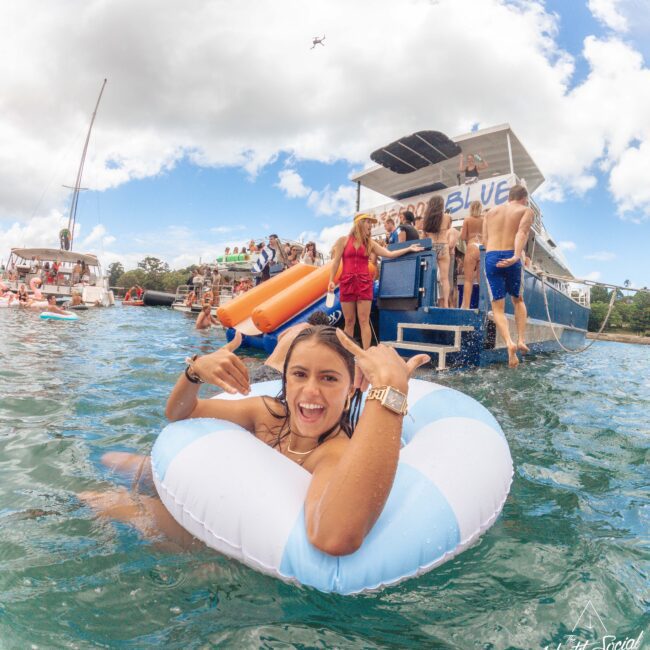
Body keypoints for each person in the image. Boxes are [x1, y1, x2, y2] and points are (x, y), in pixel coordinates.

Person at [79, 326, 430, 555]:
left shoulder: (333, 453)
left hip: (227, 549)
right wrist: (194, 370)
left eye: (329, 378)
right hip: (216, 500)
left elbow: (335, 537)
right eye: (299, 375)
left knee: (100, 499)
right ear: (286, 380)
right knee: (114, 459)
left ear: (354, 385)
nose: (310, 391)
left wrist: (391, 391)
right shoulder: (267, 412)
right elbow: (181, 412)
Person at [328, 213, 423, 349]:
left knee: (364, 320)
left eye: (371, 223)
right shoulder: (343, 240)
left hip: (364, 283)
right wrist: (331, 280)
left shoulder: (370, 243)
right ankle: (346, 355)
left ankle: (366, 355)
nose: (370, 226)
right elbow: (336, 262)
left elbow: (389, 254)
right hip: (347, 283)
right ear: (359, 223)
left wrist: (408, 248)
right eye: (368, 222)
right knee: (349, 321)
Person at [482, 184, 533, 368]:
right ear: (524, 198)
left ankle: (509, 343)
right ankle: (520, 340)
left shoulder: (490, 213)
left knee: (498, 307)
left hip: (492, 256)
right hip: (512, 254)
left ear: (509, 197)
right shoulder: (525, 210)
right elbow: (522, 232)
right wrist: (516, 256)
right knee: (518, 299)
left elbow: (485, 240)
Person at [265, 310, 331, 372]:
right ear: (321, 327)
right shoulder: (312, 335)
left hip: (265, 366)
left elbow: (280, 336)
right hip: (277, 373)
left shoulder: (297, 327)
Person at [422, 196, 451, 308]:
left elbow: (424, 235)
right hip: (443, 246)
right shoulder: (447, 217)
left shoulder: (427, 219)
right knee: (445, 278)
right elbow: (448, 228)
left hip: (432, 247)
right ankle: (446, 304)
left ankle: (430, 302)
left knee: (431, 276)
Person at [460, 200, 485, 310]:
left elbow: (463, 237)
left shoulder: (467, 220)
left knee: (468, 279)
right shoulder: (484, 220)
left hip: (471, 245)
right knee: (481, 280)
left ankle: (466, 307)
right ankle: (483, 306)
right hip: (482, 247)